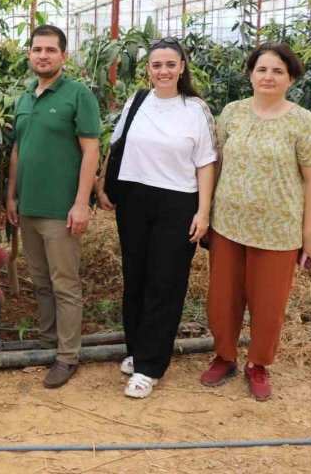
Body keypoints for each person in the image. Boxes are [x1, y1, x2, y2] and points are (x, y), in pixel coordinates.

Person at [200, 43, 311, 401]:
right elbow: (217, 163)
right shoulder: (233, 112)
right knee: (223, 298)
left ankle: (258, 364)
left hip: (278, 229)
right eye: (262, 70)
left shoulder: (301, 120)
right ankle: (224, 356)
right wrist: (206, 211)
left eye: (277, 71)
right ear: (251, 74)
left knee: (268, 303)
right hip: (229, 224)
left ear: (291, 78)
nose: (268, 77)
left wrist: (308, 232)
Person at [95, 37, 216, 399]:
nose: (163, 71)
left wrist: (203, 211)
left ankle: (150, 366)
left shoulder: (195, 109)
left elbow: (206, 163)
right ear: (148, 69)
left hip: (177, 202)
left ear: (182, 68)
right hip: (134, 199)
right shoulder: (137, 102)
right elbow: (116, 147)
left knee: (165, 282)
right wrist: (103, 185)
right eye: (156, 65)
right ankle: (136, 350)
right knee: (136, 279)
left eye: (170, 64)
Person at [6, 24, 100, 389]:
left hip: (61, 210)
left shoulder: (78, 95)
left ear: (64, 56)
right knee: (41, 281)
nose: (42, 55)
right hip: (29, 207)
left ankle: (67, 356)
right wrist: (12, 195)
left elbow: (91, 149)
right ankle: (47, 340)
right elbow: (17, 150)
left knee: (65, 284)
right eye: (36, 49)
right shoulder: (26, 97)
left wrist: (81, 203)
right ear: (29, 55)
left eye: (50, 49)